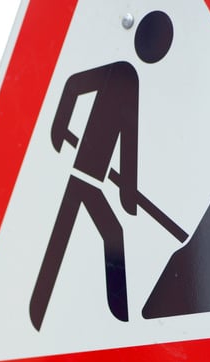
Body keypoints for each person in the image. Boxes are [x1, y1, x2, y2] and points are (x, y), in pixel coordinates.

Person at [29, 11, 174, 331]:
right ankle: (39, 312)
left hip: (93, 179)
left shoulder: (132, 80)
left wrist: (128, 192)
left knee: (98, 234)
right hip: (82, 172)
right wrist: (59, 129)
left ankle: (118, 319)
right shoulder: (119, 70)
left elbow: (128, 140)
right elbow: (73, 85)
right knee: (66, 238)